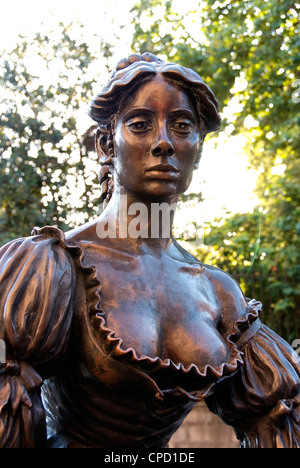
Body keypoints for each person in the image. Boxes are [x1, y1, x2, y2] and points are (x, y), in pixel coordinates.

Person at [0, 52, 299, 449]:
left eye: (182, 126)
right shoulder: (51, 265)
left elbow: (276, 417)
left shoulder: (218, 291)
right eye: (140, 125)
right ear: (106, 144)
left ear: (198, 146)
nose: (163, 143)